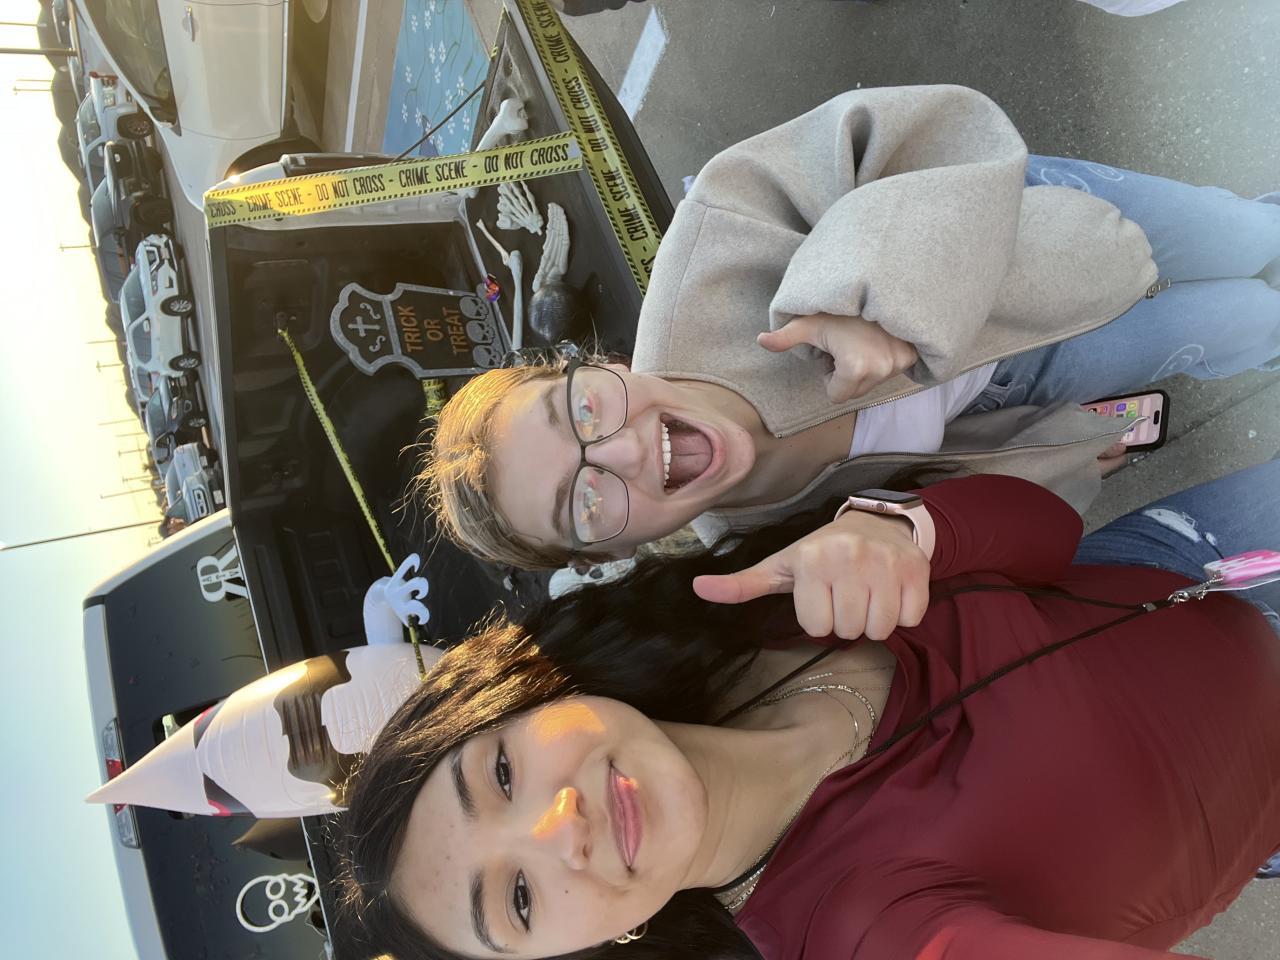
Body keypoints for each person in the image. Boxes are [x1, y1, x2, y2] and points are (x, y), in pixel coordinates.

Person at [337, 463, 1280, 960]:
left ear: (530, 696)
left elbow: (1047, 534)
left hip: (1192, 558)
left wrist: (904, 530)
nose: (558, 827)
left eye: (502, 773)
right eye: (519, 899)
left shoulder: (729, 617)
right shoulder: (857, 926)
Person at [418, 86, 1280, 623]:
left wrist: (870, 288)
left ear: (589, 364)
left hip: (1027, 236)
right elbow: (951, 494)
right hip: (1026, 382)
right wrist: (1055, 458)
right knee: (1246, 326)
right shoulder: (757, 548)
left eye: (581, 410)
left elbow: (926, 130)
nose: (623, 450)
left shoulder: (707, 251)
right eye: (583, 501)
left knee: (1247, 232)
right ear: (605, 556)